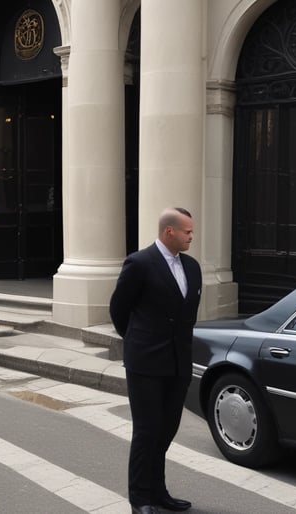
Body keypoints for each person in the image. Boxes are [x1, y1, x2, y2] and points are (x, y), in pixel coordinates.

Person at [109, 207, 202, 514]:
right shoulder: (139, 263)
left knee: (166, 430)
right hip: (146, 363)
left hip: (178, 363)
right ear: (169, 232)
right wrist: (138, 341)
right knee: (147, 431)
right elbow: (118, 309)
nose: (192, 236)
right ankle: (140, 498)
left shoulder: (192, 267)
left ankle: (158, 491)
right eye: (187, 231)